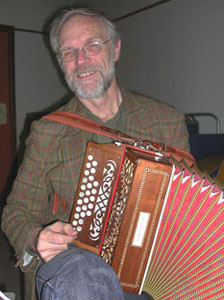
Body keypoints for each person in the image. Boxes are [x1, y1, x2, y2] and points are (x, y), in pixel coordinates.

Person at [1, 7, 190, 300]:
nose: (81, 61)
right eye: (69, 51)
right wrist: (35, 237)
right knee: (83, 281)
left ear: (114, 50)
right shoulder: (48, 131)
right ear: (60, 63)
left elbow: (188, 207)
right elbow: (16, 212)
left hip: (152, 263)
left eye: (92, 45)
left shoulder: (166, 121)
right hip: (76, 259)